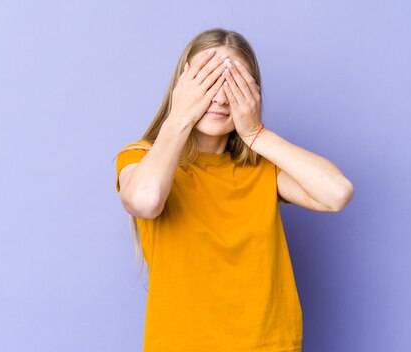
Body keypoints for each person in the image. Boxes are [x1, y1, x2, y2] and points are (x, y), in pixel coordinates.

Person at [113, 27, 354, 352]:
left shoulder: (262, 167)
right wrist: (181, 116)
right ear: (182, 87)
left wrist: (256, 133)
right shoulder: (141, 158)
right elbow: (145, 200)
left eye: (233, 83)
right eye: (208, 81)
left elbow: (337, 193)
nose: (221, 97)